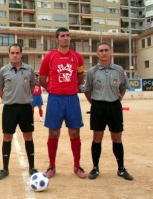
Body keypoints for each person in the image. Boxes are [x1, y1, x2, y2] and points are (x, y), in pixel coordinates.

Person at [39, 27, 86, 179]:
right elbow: (42, 78)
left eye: (68, 35)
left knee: (74, 132)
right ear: (56, 39)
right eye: (62, 36)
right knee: (53, 133)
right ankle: (52, 166)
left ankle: (77, 166)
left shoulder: (77, 57)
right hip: (55, 99)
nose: (66, 38)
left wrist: (71, 88)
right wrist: (53, 90)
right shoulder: (49, 57)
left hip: (72, 99)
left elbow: (80, 77)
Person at [84, 42, 133, 181]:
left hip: (114, 107)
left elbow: (123, 87)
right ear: (97, 54)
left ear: (110, 52)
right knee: (97, 137)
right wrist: (95, 104)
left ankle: (121, 169)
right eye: (101, 50)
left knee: (117, 138)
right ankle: (95, 168)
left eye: (106, 50)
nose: (104, 53)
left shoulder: (119, 70)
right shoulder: (92, 72)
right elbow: (87, 90)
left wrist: (117, 100)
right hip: (98, 107)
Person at [0, 43, 38, 180]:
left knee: (28, 137)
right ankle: (5, 169)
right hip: (9, 109)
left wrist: (25, 98)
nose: (15, 55)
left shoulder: (29, 70)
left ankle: (32, 167)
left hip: (25, 108)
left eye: (17, 52)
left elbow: (32, 86)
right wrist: (8, 99)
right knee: (7, 137)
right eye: (12, 53)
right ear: (9, 54)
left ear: (21, 54)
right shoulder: (3, 70)